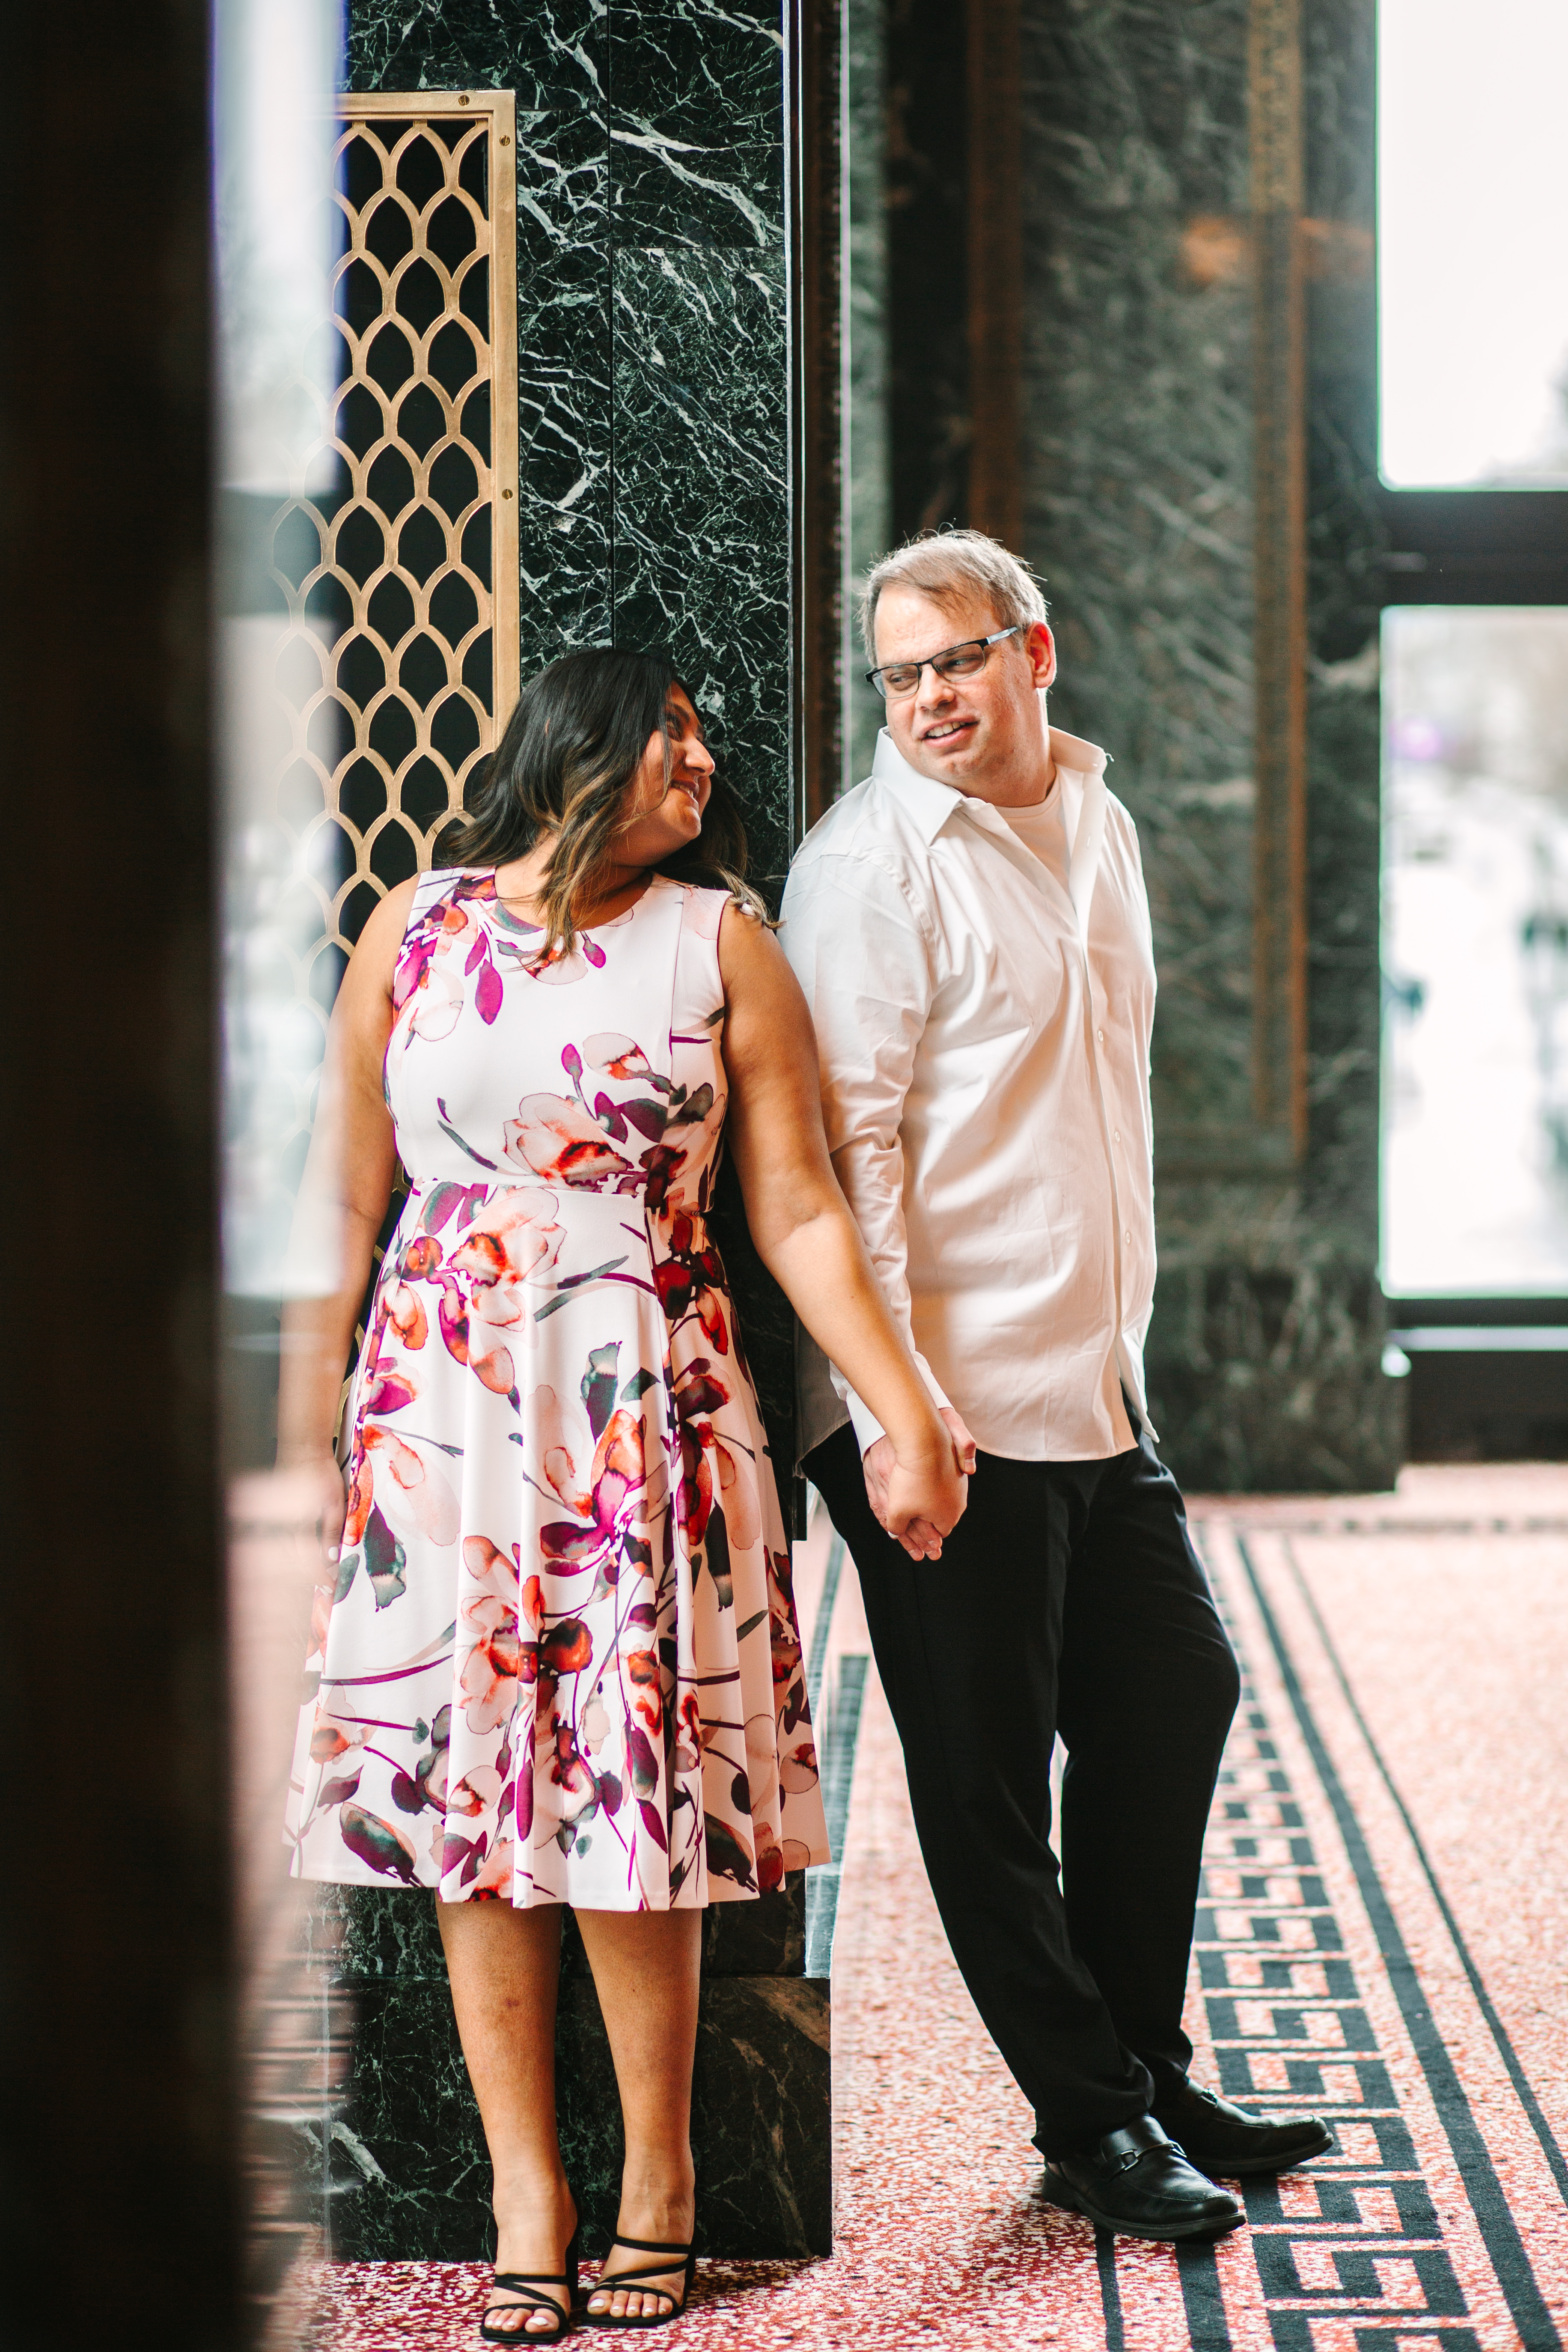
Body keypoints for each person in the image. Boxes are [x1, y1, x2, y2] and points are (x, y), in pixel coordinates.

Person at [279, 647, 968, 2338]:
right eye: (674, 735)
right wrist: (303, 1436)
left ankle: (660, 2182)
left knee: (629, 1796)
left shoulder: (720, 943)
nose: (703, 765)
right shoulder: (414, 930)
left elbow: (797, 1207)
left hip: (641, 1415)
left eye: (706, 742)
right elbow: (341, 1193)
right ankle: (529, 2194)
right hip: (440, 1422)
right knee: (469, 1816)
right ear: (578, 745)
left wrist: (906, 1407)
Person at [782, 530, 1332, 2243]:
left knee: (1173, 1696)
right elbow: (849, 1159)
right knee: (987, 1784)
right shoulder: (869, 868)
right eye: (899, 675)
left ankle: (1143, 2071)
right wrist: (896, 1412)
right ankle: (1092, 2121)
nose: (929, 699)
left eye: (956, 659)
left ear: (1035, 652)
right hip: (942, 1410)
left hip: (1091, 1388)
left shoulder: (1099, 821)